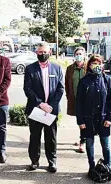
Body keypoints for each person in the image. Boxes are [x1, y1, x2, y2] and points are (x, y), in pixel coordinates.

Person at [23, 42, 64, 173]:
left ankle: (52, 161)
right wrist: (41, 104)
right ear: (36, 53)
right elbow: (27, 89)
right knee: (35, 136)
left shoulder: (57, 68)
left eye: (45, 52)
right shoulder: (30, 69)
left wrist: (51, 105)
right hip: (36, 109)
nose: (42, 54)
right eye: (40, 52)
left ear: (50, 53)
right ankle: (34, 161)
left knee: (51, 137)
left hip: (51, 110)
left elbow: (60, 88)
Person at [75, 54, 111, 177]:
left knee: (106, 145)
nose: (96, 66)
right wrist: (80, 121)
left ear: (102, 65)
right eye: (94, 63)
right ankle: (91, 167)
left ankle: (108, 167)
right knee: (89, 144)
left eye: (99, 63)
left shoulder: (107, 80)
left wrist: (109, 118)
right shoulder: (84, 81)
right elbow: (79, 103)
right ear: (89, 65)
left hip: (103, 119)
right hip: (88, 119)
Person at [65, 47, 87, 153]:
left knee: (83, 121)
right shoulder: (70, 69)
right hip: (75, 99)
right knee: (79, 121)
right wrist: (68, 96)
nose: (78, 55)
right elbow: (66, 84)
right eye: (77, 54)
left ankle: (83, 142)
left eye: (80, 54)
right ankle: (83, 138)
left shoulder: (88, 67)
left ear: (84, 55)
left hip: (87, 100)